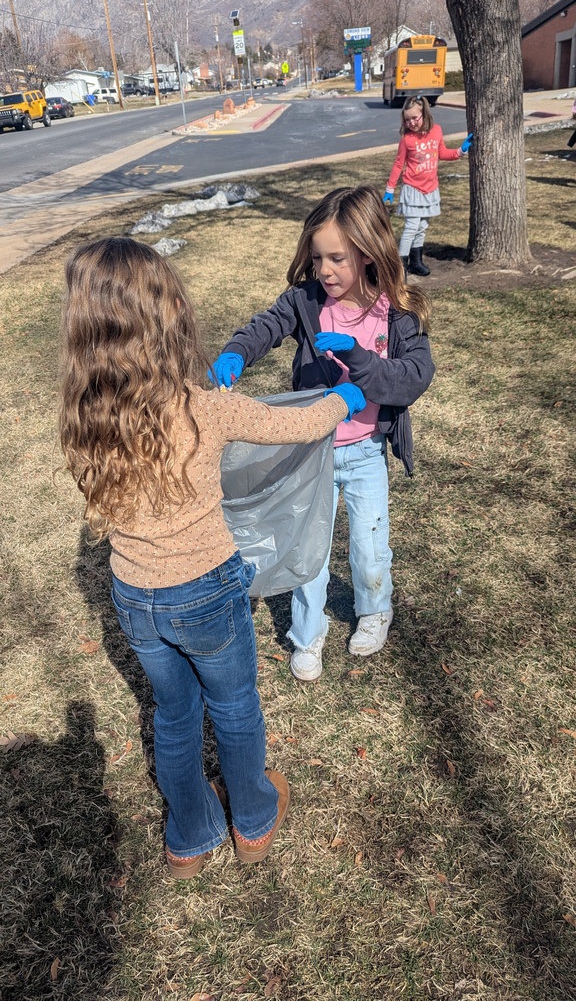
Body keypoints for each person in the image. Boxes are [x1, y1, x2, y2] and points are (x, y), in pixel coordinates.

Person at [58, 236, 366, 878]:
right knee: (233, 707)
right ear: (167, 319)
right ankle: (252, 818)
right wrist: (346, 398)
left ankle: (189, 837)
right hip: (206, 591)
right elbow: (296, 425)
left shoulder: (84, 418)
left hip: (135, 598)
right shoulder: (202, 408)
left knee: (173, 715)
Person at [209, 185, 435, 683]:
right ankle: (307, 632)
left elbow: (414, 378)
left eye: (337, 258)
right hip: (313, 452)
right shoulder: (305, 301)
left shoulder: (395, 313)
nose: (325, 270)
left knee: (369, 544)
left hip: (366, 452)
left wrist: (361, 362)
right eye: (317, 258)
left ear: (370, 252)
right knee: (306, 544)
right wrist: (237, 352)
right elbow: (265, 326)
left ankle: (375, 608)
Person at [383, 95, 473, 276]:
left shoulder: (437, 131)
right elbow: (399, 164)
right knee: (411, 227)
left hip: (430, 188)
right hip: (413, 189)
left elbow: (443, 153)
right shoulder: (407, 139)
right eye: (407, 120)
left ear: (424, 114)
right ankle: (401, 266)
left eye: (414, 118)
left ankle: (416, 261)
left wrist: (461, 151)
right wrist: (389, 189)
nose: (411, 123)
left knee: (422, 226)